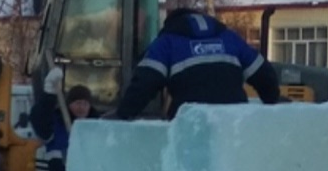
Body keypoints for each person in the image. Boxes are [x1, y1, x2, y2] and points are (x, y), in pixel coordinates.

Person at [112, 8, 283, 120]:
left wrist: (124, 114)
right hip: (233, 121)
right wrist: (272, 99)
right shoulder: (229, 38)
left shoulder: (167, 42)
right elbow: (263, 73)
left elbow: (145, 82)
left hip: (190, 123)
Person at [29, 64, 100, 171]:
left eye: (85, 103)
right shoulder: (56, 122)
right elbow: (38, 120)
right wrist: (48, 94)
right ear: (69, 105)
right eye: (77, 103)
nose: (81, 107)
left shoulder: (97, 126)